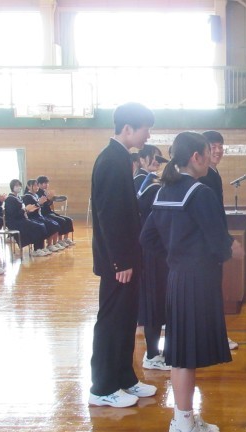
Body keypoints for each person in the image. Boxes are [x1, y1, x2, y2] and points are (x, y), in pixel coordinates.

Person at [140, 131, 243, 432]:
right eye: (208, 153)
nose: (211, 158)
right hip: (198, 282)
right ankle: (184, 427)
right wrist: (234, 250)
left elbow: (147, 238)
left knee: (180, 353)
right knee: (184, 356)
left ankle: (183, 419)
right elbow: (220, 244)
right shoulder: (200, 193)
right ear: (196, 157)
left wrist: (175, 256)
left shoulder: (163, 191)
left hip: (177, 278)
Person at [89, 102, 157, 408]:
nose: (147, 136)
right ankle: (103, 387)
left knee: (127, 319)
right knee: (112, 321)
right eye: (145, 129)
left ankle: (124, 378)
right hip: (117, 262)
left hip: (127, 258)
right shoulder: (110, 160)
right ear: (127, 128)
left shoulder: (120, 158)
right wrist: (122, 261)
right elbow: (110, 216)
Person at [199, 130, 239, 351]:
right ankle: (214, 338)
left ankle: (214, 336)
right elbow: (209, 216)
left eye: (220, 146)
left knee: (213, 292)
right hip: (207, 247)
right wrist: (226, 242)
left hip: (212, 246)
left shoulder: (213, 173)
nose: (217, 150)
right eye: (212, 146)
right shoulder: (204, 175)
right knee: (209, 294)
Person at [136, 154, 170, 371]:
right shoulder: (152, 188)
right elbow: (147, 232)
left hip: (160, 254)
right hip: (153, 254)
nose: (157, 164)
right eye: (154, 160)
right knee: (153, 305)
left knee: (163, 304)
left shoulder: (153, 185)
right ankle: (152, 354)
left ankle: (165, 353)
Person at [4, 179, 50, 257]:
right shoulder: (9, 199)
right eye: (16, 186)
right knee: (38, 227)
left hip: (22, 219)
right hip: (14, 222)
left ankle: (40, 247)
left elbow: (23, 211)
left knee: (41, 225)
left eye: (20, 186)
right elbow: (13, 214)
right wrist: (25, 210)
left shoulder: (18, 197)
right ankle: (36, 249)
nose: (19, 187)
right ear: (12, 187)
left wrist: (28, 210)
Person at [23, 179, 64, 253]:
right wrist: (39, 203)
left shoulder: (36, 195)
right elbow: (30, 209)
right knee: (46, 226)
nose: (36, 187)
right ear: (28, 186)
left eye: (37, 185)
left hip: (39, 216)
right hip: (33, 217)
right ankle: (42, 247)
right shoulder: (27, 196)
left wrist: (48, 199)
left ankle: (51, 244)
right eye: (34, 185)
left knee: (55, 224)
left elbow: (42, 205)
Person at [36, 176, 75, 247]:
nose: (46, 185)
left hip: (49, 212)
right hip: (44, 214)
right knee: (61, 220)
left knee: (68, 220)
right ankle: (59, 240)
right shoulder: (38, 193)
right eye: (45, 183)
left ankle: (65, 239)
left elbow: (49, 204)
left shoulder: (45, 192)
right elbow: (42, 205)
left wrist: (50, 199)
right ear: (39, 184)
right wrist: (49, 199)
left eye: (47, 183)